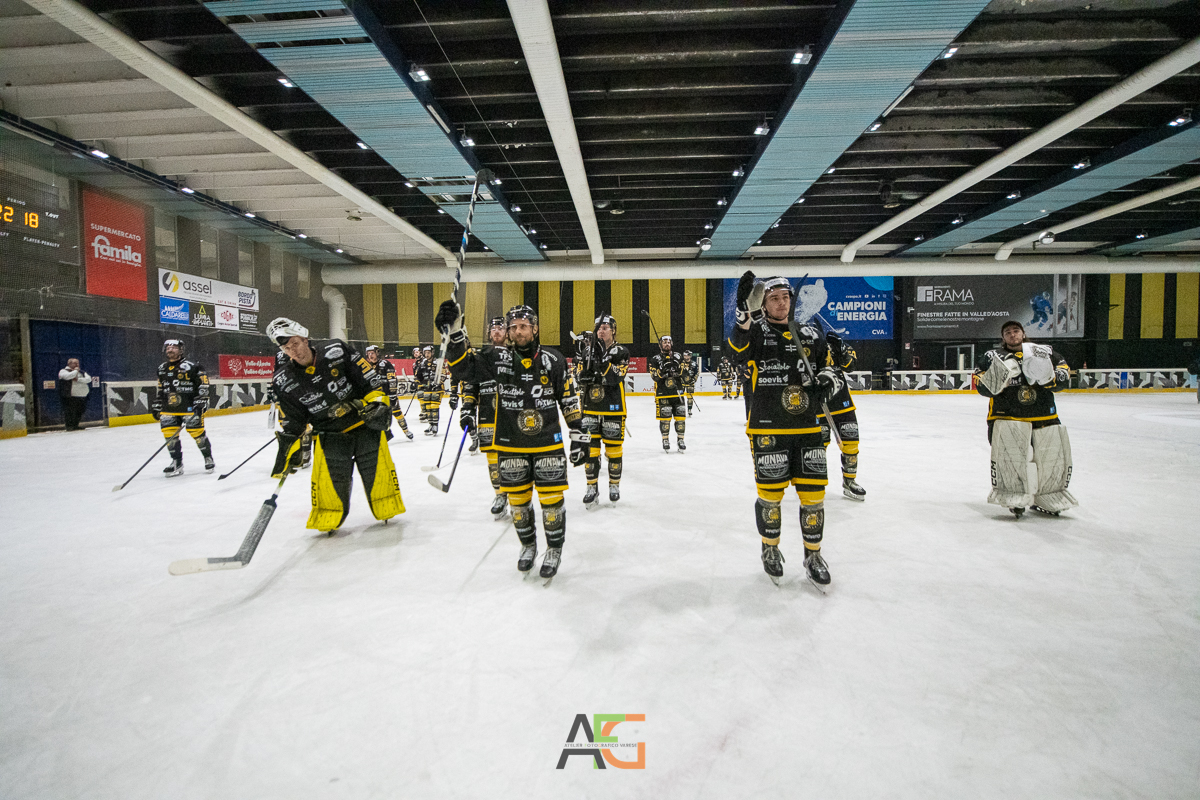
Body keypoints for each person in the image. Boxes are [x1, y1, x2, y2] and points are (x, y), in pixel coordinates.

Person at [436, 300, 588, 580]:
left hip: (548, 443)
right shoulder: (495, 357)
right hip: (510, 443)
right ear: (507, 331)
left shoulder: (553, 359)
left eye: (524, 326)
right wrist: (454, 333)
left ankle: (554, 549)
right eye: (514, 327)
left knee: (552, 502)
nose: (518, 331)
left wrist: (578, 435)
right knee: (518, 503)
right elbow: (463, 370)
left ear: (535, 328)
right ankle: (528, 546)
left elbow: (568, 399)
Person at [727, 272, 841, 586]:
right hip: (768, 426)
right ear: (763, 304)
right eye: (774, 298)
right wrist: (742, 314)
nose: (781, 303)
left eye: (785, 297)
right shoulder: (755, 332)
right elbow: (735, 352)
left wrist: (828, 380)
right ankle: (770, 549)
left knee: (814, 496)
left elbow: (831, 367)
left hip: (808, 427)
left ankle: (813, 555)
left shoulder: (811, 332)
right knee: (771, 496)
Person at [267, 318, 404, 532]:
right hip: (329, 436)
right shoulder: (283, 380)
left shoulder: (336, 350)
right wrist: (290, 446)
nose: (293, 351)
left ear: (305, 339)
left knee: (381, 485)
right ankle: (329, 520)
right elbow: (294, 420)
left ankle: (386, 508)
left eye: (295, 343)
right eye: (286, 348)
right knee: (329, 498)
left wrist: (378, 403)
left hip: (364, 426)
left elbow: (370, 381)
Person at [974, 320, 1076, 518]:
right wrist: (997, 378)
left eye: (1016, 331)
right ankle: (1013, 493)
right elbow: (981, 384)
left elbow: (1064, 375)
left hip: (1044, 415)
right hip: (1006, 416)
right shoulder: (991, 356)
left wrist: (1048, 377)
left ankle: (1048, 494)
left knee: (1051, 459)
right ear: (1003, 337)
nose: (1012, 335)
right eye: (1008, 332)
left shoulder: (1045, 352)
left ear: (1023, 333)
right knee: (1011, 460)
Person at [577, 313, 630, 507]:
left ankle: (614, 486)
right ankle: (591, 487)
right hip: (590, 407)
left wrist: (602, 362)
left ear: (613, 330)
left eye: (605, 328)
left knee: (614, 451)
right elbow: (579, 374)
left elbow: (617, 377)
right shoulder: (587, 351)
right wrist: (582, 376)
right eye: (598, 328)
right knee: (590, 450)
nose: (601, 331)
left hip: (613, 408)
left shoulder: (622, 351)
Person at [463, 316, 510, 519]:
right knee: (493, 458)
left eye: (501, 328)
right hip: (488, 415)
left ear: (507, 332)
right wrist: (467, 407)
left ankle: (516, 495)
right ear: (489, 333)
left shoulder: (515, 354)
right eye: (493, 328)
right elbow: (471, 384)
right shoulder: (480, 356)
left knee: (512, 458)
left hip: (511, 414)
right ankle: (499, 495)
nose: (497, 331)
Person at [153, 339, 214, 476]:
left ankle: (208, 457)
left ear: (181, 350)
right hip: (168, 409)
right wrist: (157, 404)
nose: (170, 349)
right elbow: (161, 389)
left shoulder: (193, 366)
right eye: (168, 347)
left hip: (190, 407)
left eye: (174, 347)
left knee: (198, 434)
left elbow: (203, 384)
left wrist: (202, 400)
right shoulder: (162, 368)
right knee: (169, 436)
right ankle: (176, 462)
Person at [822, 332, 866, 501]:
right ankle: (815, 482)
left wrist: (841, 349)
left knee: (851, 445)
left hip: (843, 403)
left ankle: (849, 481)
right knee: (818, 446)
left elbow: (850, 366)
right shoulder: (808, 345)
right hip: (818, 404)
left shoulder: (838, 345)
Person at [364, 345, 413, 440]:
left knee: (397, 412)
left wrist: (393, 395)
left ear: (377, 353)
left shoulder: (385, 364)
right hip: (376, 397)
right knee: (379, 417)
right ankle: (385, 435)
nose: (370, 355)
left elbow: (392, 380)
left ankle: (406, 430)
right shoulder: (368, 366)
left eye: (372, 353)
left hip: (388, 395)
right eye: (368, 353)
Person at [648, 334, 687, 452]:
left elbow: (684, 372)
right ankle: (665, 439)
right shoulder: (655, 359)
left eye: (669, 342)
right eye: (664, 342)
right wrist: (662, 371)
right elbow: (654, 376)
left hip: (678, 392)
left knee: (680, 418)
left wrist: (675, 369)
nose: (667, 344)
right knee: (665, 419)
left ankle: (681, 439)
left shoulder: (678, 356)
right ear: (660, 345)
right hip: (663, 393)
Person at [57, 358, 91, 431]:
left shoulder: (82, 372)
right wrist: (75, 371)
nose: (77, 365)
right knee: (70, 411)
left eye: (78, 363)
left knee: (79, 411)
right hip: (70, 396)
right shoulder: (63, 371)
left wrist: (78, 380)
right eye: (75, 363)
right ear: (69, 364)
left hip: (82, 396)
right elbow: (68, 377)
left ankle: (75, 425)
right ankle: (69, 426)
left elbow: (88, 379)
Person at [415, 345, 441, 435]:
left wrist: (437, 383)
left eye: (428, 353)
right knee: (428, 408)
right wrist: (417, 382)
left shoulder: (438, 363)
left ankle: (435, 425)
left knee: (434, 406)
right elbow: (418, 376)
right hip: (426, 389)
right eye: (425, 353)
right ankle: (431, 424)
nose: (426, 355)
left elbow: (443, 374)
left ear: (432, 353)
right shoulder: (422, 363)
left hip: (436, 389)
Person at [680, 351, 698, 416]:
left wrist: (694, 380)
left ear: (690, 356)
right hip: (681, 383)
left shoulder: (694, 364)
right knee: (680, 397)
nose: (686, 357)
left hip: (690, 383)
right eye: (685, 355)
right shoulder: (680, 364)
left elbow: (697, 373)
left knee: (690, 397)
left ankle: (689, 409)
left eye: (687, 355)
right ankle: (681, 409)